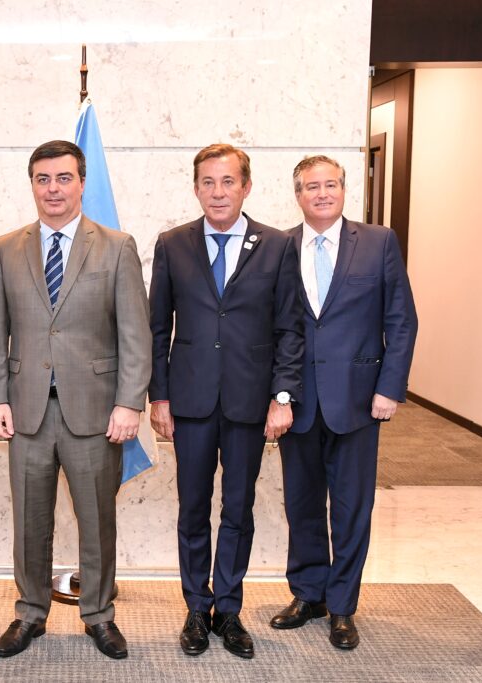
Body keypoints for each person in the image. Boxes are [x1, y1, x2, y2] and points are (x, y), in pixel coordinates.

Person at [0, 140, 151, 660]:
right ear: (32, 185)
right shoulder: (7, 248)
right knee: (29, 521)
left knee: (97, 521)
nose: (52, 189)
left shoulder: (116, 246)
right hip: (26, 411)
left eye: (63, 178)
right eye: (43, 179)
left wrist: (130, 403)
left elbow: (135, 333)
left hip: (97, 412)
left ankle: (98, 614)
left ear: (81, 183)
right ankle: (30, 613)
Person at [148, 143, 303, 660]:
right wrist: (159, 396)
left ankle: (229, 609)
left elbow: (289, 328)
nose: (218, 192)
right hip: (189, 401)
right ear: (196, 188)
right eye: (208, 182)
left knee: (238, 508)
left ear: (246, 186)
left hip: (249, 402)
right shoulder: (172, 244)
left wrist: (282, 397)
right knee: (192, 508)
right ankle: (197, 607)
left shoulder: (278, 246)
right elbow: (157, 327)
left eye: (228, 181)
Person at [271, 155, 417, 650]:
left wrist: (389, 388)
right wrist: (276, 395)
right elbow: (275, 327)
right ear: (298, 195)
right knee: (302, 504)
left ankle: (342, 606)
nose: (322, 194)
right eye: (312, 187)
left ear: (344, 189)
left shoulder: (378, 242)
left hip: (358, 402)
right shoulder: (280, 247)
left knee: (353, 507)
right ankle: (308, 593)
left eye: (330, 184)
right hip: (297, 402)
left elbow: (401, 320)